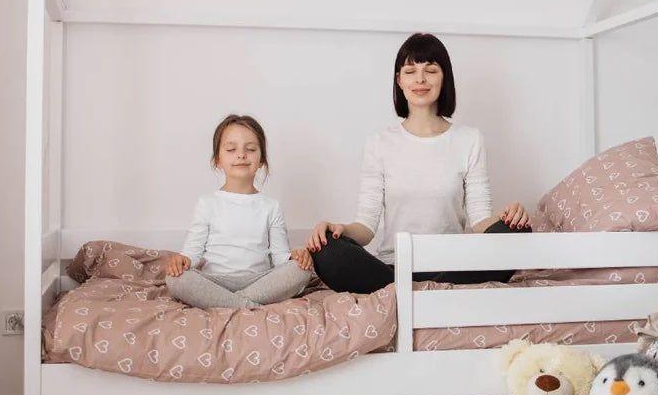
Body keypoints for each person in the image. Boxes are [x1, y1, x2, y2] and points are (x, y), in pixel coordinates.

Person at [306, 33, 530, 293]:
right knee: (325, 249)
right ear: (399, 80)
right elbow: (366, 226)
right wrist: (339, 229)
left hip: (454, 267)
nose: (420, 79)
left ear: (444, 77)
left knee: (518, 231)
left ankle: (411, 293)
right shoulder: (379, 143)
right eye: (410, 71)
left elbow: (480, 220)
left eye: (431, 70)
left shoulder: (470, 139)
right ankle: (414, 291)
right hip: (392, 269)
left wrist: (509, 219)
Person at [164, 114, 313, 309]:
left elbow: (280, 258)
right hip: (215, 281)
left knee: (302, 270)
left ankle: (226, 303)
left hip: (259, 281)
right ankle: (248, 305)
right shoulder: (207, 203)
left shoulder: (271, 206)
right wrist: (182, 261)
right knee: (175, 279)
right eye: (231, 149)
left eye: (250, 149)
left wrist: (295, 257)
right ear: (218, 159)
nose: (241, 155)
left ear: (261, 160)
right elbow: (192, 253)